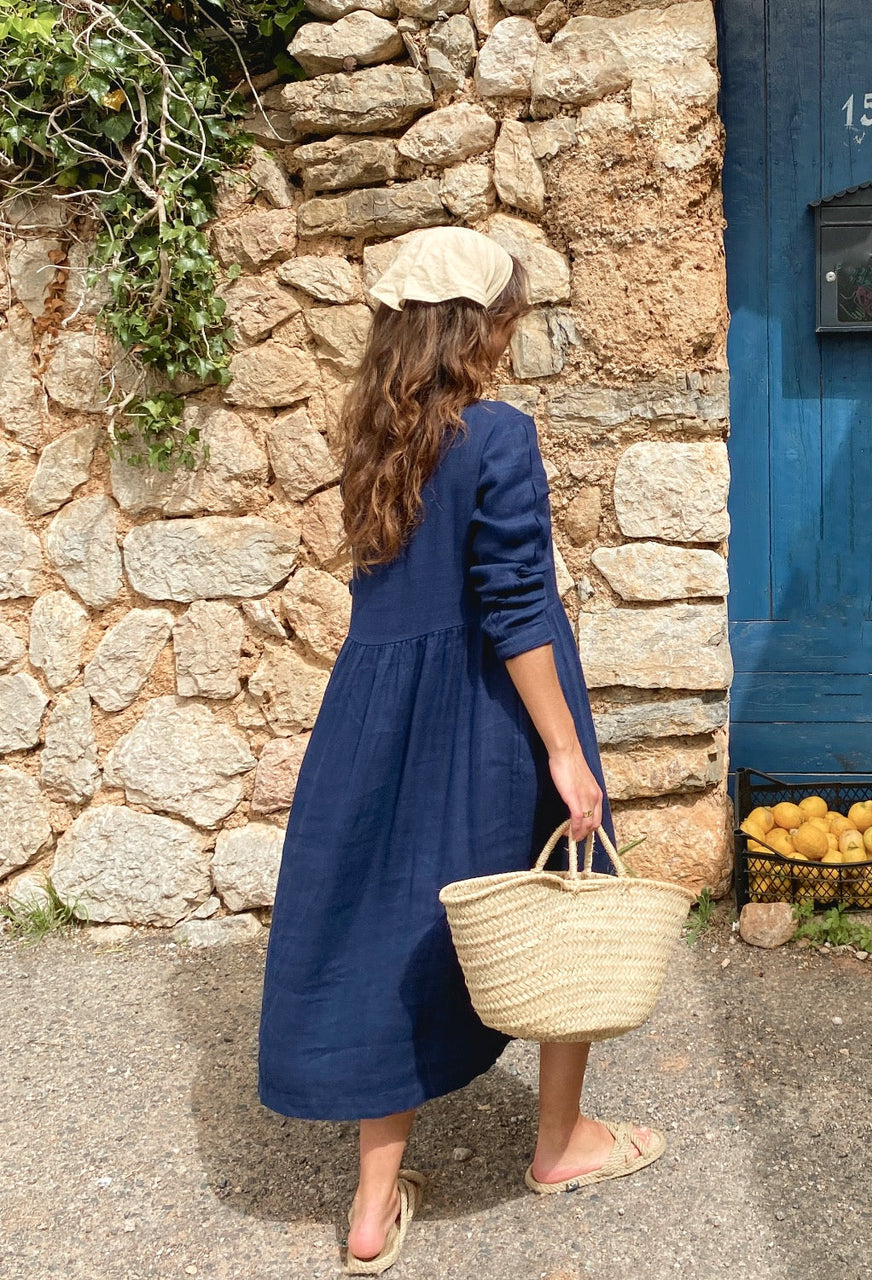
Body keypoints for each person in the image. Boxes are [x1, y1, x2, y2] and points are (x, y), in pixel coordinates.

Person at [257, 227, 666, 1276]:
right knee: (569, 876)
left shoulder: (372, 434)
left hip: (378, 709)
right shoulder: (497, 434)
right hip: (490, 708)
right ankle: (563, 1141)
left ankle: (372, 1201)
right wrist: (568, 754)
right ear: (477, 328)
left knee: (386, 914)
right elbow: (516, 606)